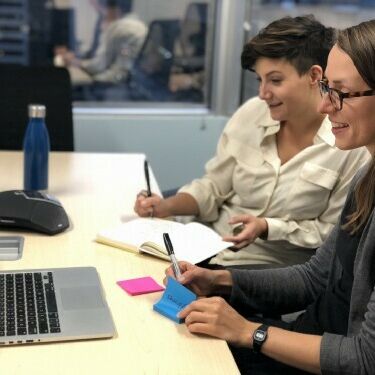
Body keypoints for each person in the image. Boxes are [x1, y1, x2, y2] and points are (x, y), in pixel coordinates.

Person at [164, 19, 375, 374]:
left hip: (326, 357)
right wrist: (218, 280)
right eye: (326, 88)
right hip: (306, 336)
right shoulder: (366, 176)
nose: (325, 106)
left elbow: (365, 358)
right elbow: (314, 278)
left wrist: (247, 332)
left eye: (340, 91)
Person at [134, 15, 369, 268]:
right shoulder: (252, 112)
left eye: (275, 80)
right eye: (260, 80)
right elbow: (213, 187)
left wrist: (268, 227)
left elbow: (332, 235)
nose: (263, 93)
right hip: (204, 245)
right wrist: (165, 206)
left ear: (314, 76)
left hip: (266, 269)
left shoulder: (350, 142)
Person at [57, 0, 147, 84]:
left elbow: (98, 66)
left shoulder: (120, 27)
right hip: (122, 82)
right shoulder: (136, 24)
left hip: (113, 85)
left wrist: (75, 63)